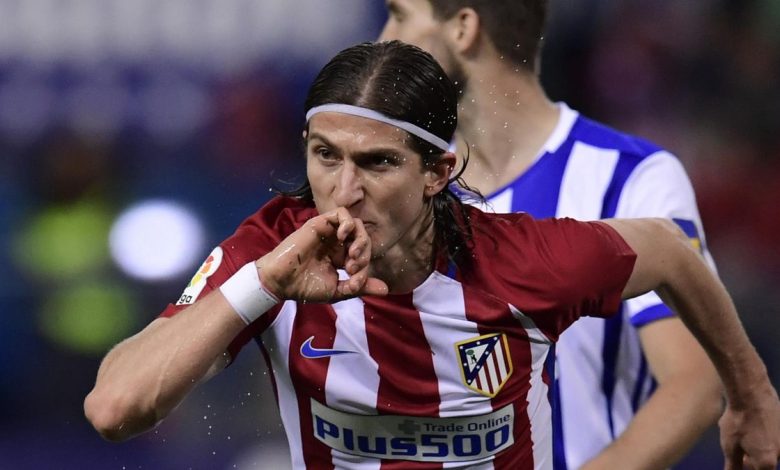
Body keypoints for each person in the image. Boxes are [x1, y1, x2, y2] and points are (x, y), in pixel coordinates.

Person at [84, 41, 779, 470]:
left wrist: (751, 397)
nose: (345, 192)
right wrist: (261, 285)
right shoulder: (272, 250)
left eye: (378, 163)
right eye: (325, 156)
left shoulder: (522, 262)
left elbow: (669, 250)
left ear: (437, 172)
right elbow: (115, 409)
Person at [378, 1, 735, 468]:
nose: (384, 38)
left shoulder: (630, 178)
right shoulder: (401, 187)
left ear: (463, 28)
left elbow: (694, 385)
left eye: (401, 15)